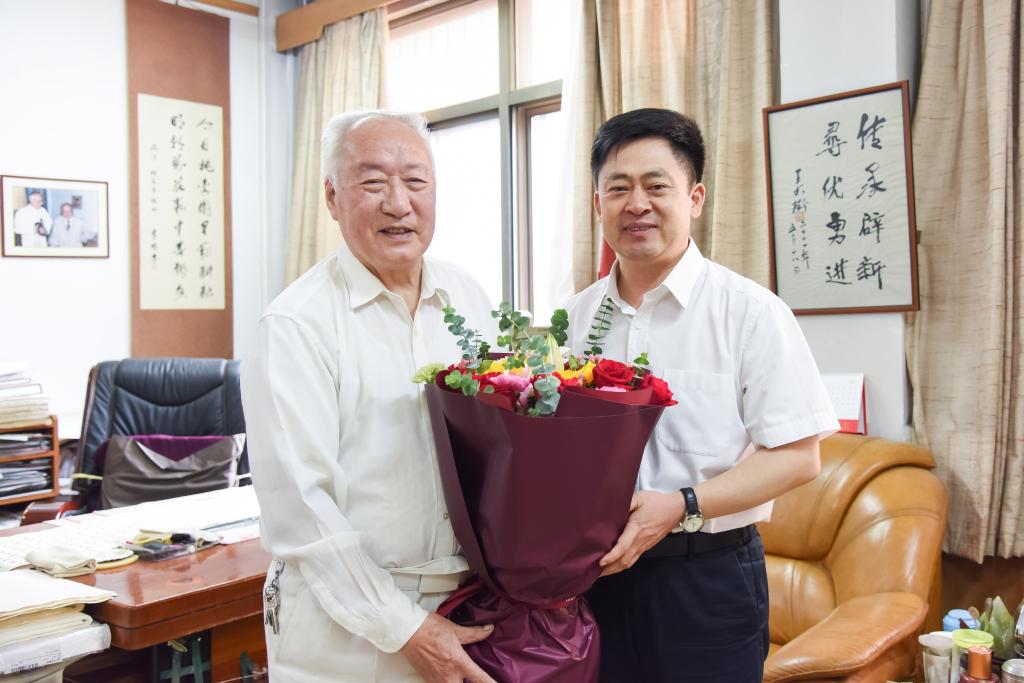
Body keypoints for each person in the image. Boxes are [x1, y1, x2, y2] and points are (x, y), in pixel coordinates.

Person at [565, 108, 839, 682]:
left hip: (707, 579)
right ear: (597, 204)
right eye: (618, 188)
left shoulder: (750, 313)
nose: (636, 204)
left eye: (656, 186)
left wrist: (683, 505)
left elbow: (798, 456)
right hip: (595, 577)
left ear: (694, 198)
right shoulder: (575, 319)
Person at [241, 110, 499, 683]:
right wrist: (404, 627)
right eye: (373, 182)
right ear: (333, 198)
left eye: (415, 181)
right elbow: (301, 507)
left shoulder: (468, 298)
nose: (398, 203)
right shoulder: (296, 324)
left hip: (465, 604)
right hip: (344, 626)